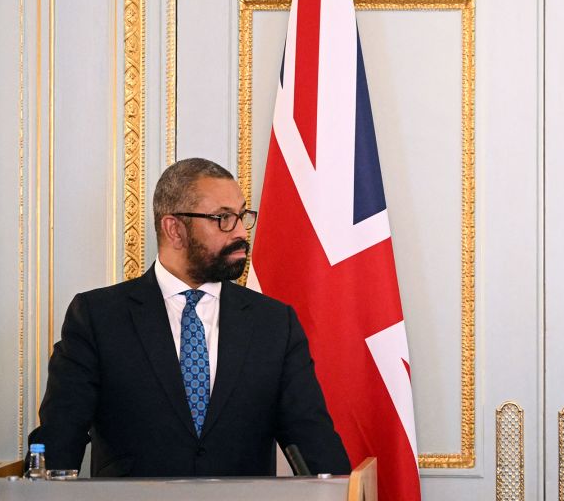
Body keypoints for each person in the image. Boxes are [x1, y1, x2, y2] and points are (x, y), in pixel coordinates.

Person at [28, 158, 350, 476]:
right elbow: (60, 436)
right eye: (223, 218)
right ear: (175, 229)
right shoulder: (98, 318)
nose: (240, 231)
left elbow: (314, 442)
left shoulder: (275, 324)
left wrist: (343, 492)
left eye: (241, 216)